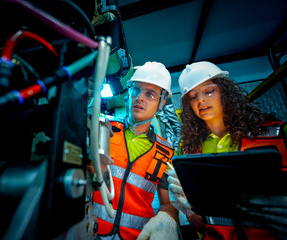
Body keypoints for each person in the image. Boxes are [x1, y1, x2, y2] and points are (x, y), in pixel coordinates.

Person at [167, 61, 287, 240]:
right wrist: (188, 209)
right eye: (193, 97)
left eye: (209, 91)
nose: (201, 100)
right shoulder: (189, 152)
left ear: (226, 92)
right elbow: (202, 224)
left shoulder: (276, 133)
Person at [92, 61, 179, 240]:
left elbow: (168, 204)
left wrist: (168, 219)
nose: (140, 98)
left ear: (162, 103)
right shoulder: (103, 129)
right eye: (136, 90)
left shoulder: (165, 152)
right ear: (127, 95)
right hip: (90, 231)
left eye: (150, 94)